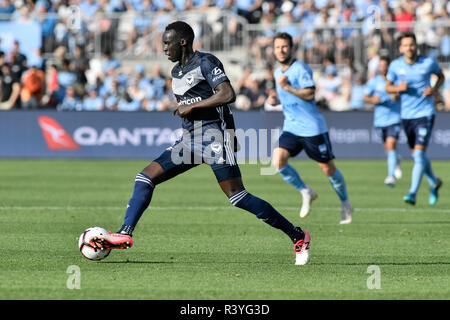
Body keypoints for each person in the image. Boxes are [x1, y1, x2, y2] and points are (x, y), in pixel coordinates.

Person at [94, 21, 311, 265]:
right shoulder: (176, 72)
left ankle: (298, 236)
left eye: (168, 43)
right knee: (144, 178)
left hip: (213, 138)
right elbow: (217, 104)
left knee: (238, 197)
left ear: (182, 42)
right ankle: (124, 233)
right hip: (189, 141)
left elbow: (227, 95)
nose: (164, 48)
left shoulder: (206, 62)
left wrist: (224, 129)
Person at [267, 32, 353, 225]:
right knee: (277, 161)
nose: (281, 50)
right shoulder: (277, 72)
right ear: (273, 50)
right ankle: (306, 192)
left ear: (291, 48)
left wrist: (287, 88)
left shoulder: (300, 69)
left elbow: (310, 94)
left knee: (327, 169)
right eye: (277, 47)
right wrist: (276, 99)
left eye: (284, 47)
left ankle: (345, 203)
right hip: (291, 127)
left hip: (312, 128)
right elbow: (286, 94)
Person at [386, 32, 445, 205]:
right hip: (406, 116)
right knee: (418, 155)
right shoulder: (396, 66)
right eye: (405, 45)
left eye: (411, 44)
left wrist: (433, 89)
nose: (409, 48)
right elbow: (388, 87)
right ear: (400, 48)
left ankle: (412, 193)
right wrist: (398, 88)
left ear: (416, 45)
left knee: (419, 154)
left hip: (425, 113)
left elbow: (441, 76)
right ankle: (434, 182)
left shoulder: (428, 62)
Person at [364, 56, 403, 187]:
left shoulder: (395, 80)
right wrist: (373, 99)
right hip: (380, 120)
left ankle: (390, 176)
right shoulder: (373, 81)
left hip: (394, 118)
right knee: (387, 147)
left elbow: (403, 93)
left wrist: (397, 95)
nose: (383, 68)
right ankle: (396, 159)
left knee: (391, 144)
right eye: (381, 65)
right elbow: (365, 97)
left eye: (385, 65)